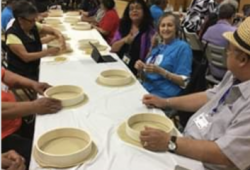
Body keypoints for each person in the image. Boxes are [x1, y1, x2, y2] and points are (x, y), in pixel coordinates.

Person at [140, 17, 250, 170]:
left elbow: (225, 154)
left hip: (203, 164)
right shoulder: (234, 75)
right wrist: (165, 102)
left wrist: (170, 142)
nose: (226, 53)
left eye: (228, 50)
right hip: (186, 143)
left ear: (243, 59)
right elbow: (209, 96)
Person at [1, 67, 62, 169]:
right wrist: (33, 106)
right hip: (4, 136)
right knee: (47, 158)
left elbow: (4, 75)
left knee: (53, 129)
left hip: (15, 120)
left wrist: (33, 84)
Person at [134, 12, 192, 98]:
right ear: (159, 29)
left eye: (169, 25)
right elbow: (145, 76)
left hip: (164, 95)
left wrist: (161, 71)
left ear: (176, 28)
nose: (166, 28)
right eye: (163, 25)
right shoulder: (157, 47)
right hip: (146, 88)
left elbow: (184, 82)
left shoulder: (183, 47)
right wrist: (141, 69)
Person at [5, 0, 66, 81]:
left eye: (35, 19)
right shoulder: (12, 35)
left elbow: (52, 30)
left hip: (34, 66)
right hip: (22, 73)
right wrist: (48, 52)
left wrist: (60, 36)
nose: (34, 22)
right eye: (31, 20)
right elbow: (26, 57)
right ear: (20, 19)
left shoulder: (32, 25)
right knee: (55, 76)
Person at [111, 0, 155, 75]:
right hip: (119, 64)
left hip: (137, 70)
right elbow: (113, 48)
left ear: (144, 11)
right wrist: (124, 40)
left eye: (138, 8)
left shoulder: (150, 31)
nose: (134, 10)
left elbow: (151, 56)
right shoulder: (123, 25)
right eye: (131, 9)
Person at [202, 3, 236, 80]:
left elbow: (203, 45)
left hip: (212, 71)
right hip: (229, 75)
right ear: (233, 17)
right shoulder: (234, 32)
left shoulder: (209, 30)